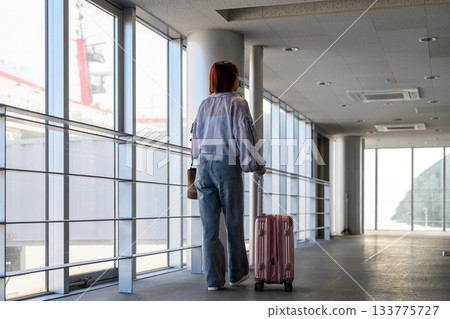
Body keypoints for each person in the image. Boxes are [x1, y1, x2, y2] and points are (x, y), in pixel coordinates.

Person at [191, 60, 266, 291]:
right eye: (236, 75)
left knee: (209, 228)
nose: (239, 80)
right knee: (234, 223)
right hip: (227, 166)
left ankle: (213, 281)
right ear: (230, 79)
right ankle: (236, 274)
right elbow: (246, 137)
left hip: (203, 167)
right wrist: (258, 164)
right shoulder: (238, 103)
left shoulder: (204, 104)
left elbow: (195, 141)